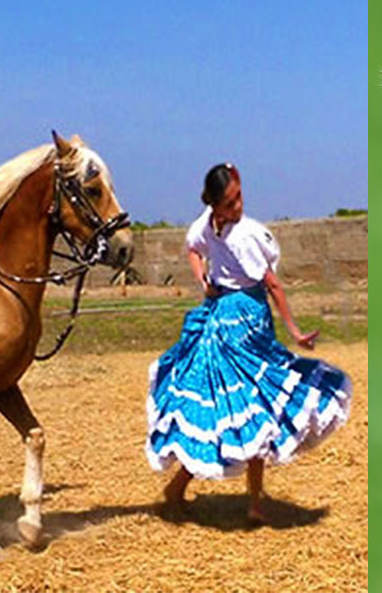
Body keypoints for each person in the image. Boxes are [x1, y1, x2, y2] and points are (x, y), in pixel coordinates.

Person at [146, 163, 351, 524]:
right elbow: (273, 285)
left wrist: (203, 281)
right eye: (229, 203)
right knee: (251, 406)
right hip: (237, 323)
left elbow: (193, 248)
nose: (236, 207)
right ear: (215, 205)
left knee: (234, 408)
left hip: (228, 322)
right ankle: (242, 500)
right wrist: (295, 331)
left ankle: (198, 491)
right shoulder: (245, 235)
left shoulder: (208, 224)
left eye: (238, 197)